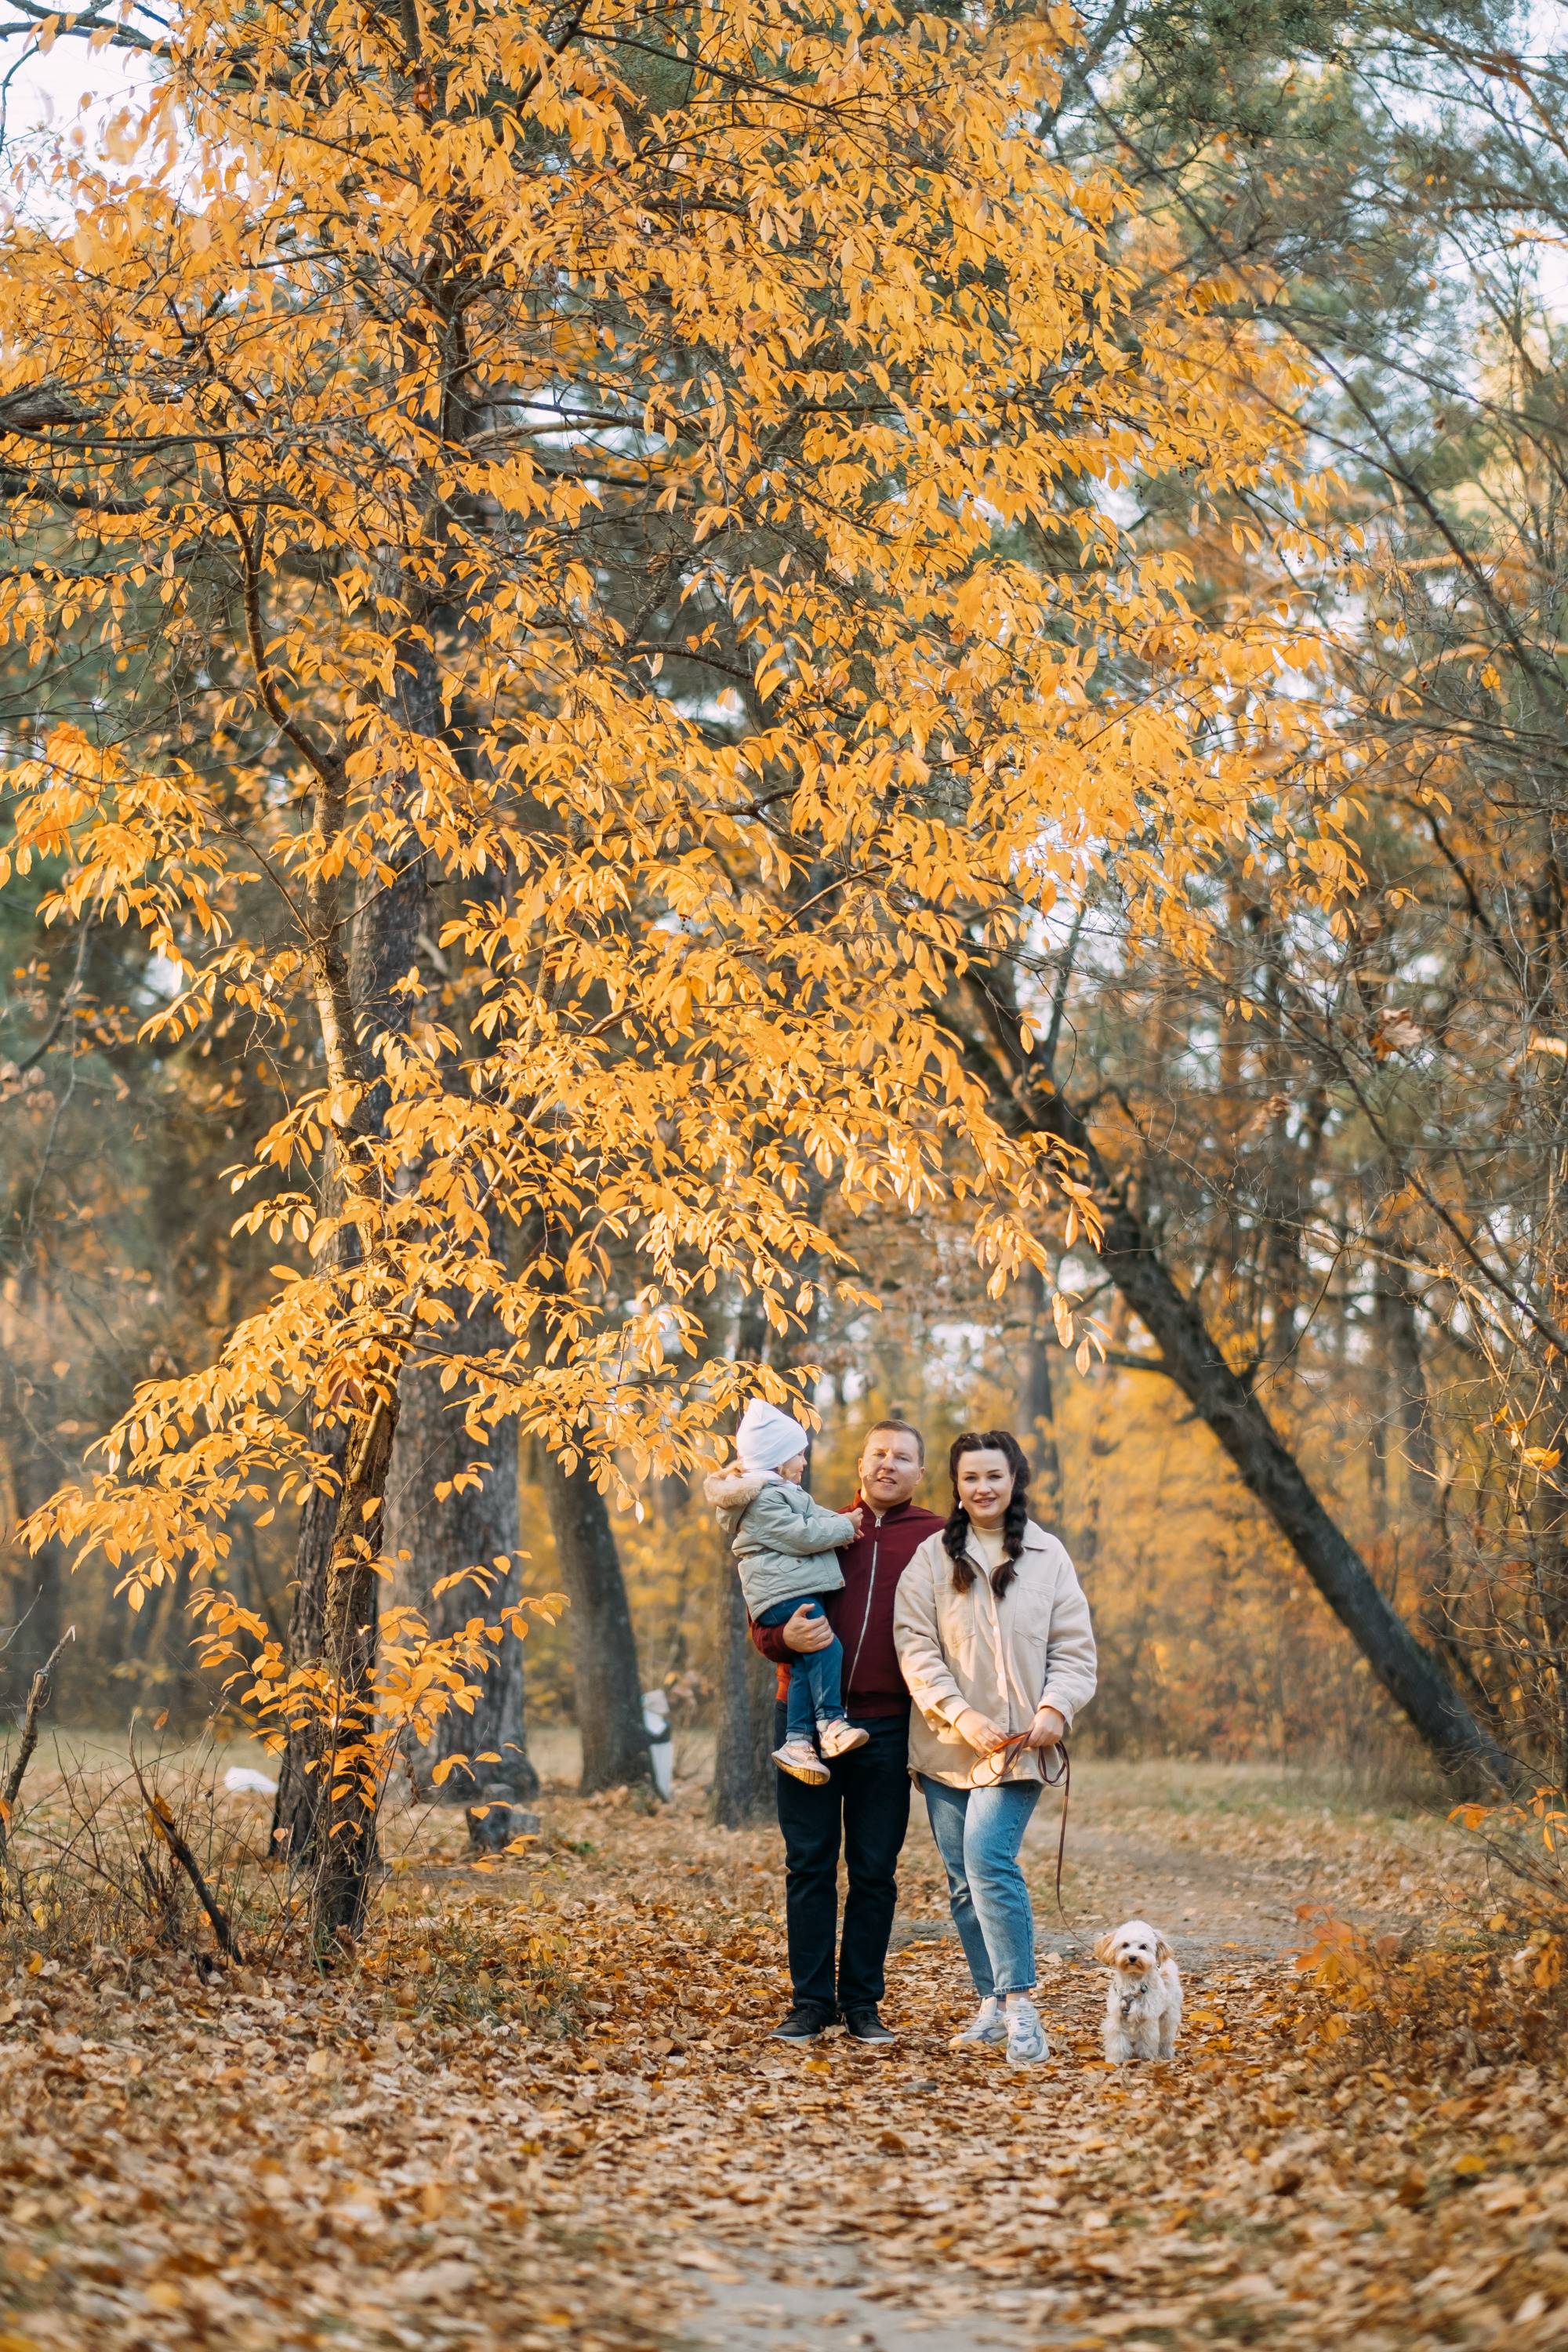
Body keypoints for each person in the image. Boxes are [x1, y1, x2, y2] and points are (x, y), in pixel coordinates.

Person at [893, 1428, 1096, 2067]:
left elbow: (1073, 1648)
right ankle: (989, 2001)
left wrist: (1054, 1708)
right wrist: (957, 1713)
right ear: (956, 1485)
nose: (983, 1487)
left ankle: (1021, 2005)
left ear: (1015, 1481)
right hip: (946, 1746)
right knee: (961, 1882)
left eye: (995, 1476)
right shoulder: (930, 1559)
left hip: (1019, 1748)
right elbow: (915, 1645)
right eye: (971, 1477)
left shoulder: (1047, 1555)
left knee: (988, 1858)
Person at [749, 1418, 944, 2047]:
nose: (889, 1464)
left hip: (884, 1728)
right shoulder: (816, 1524)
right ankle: (811, 2003)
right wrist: (781, 1640)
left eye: (903, 1457)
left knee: (874, 1871)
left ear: (920, 1473)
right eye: (879, 1454)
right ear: (861, 1465)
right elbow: (764, 1607)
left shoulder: (937, 1538)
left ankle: (862, 2003)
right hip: (803, 1723)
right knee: (807, 1864)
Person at [706, 1399, 869, 1781]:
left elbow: (814, 1515)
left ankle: (797, 1742)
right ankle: (830, 1725)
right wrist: (844, 1528)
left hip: (787, 1589)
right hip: (781, 1595)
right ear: (779, 1459)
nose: (805, 1462)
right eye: (800, 1454)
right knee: (828, 1646)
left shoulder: (782, 1491)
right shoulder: (764, 1499)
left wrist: (843, 1521)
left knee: (803, 1662)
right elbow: (801, 1534)